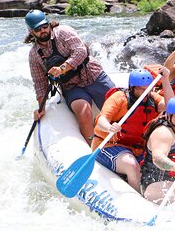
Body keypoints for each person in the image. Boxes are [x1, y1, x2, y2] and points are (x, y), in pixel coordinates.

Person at [25, 9, 115, 145]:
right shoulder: (34, 55)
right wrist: (41, 108)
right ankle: (94, 147)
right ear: (32, 32)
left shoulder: (63, 32)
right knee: (83, 111)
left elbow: (80, 51)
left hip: (93, 75)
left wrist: (62, 68)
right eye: (38, 29)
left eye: (45, 26)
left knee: (116, 105)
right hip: (72, 87)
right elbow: (39, 83)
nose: (43, 30)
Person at [92, 67, 174, 192]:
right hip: (109, 145)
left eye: (147, 88)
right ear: (132, 87)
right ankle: (138, 197)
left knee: (160, 170)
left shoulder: (153, 98)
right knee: (131, 166)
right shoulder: (119, 98)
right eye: (140, 88)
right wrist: (109, 127)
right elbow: (102, 119)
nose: (144, 92)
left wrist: (166, 80)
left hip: (138, 149)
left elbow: (171, 105)